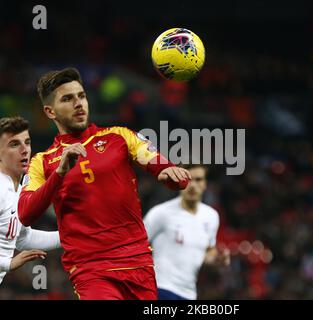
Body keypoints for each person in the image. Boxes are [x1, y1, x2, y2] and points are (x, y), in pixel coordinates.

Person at [18, 67, 191, 300]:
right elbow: (26, 213)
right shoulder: (42, 162)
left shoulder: (119, 136)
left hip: (138, 265)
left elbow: (158, 163)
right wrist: (59, 174)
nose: (78, 103)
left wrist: (171, 174)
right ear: (50, 112)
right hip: (91, 271)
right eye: (68, 99)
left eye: (81, 96)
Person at [144, 164, 230, 300]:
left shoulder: (211, 216)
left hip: (188, 294)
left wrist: (217, 260)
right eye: (187, 179)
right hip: (159, 288)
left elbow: (207, 253)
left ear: (205, 184)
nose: (193, 185)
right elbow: (137, 245)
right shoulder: (160, 213)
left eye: (198, 179)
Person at [0, 116, 61, 285]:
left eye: (26, 142)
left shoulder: (21, 188)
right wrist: (8, 263)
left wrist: (68, 235)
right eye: (14, 144)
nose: (24, 150)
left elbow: (23, 239)